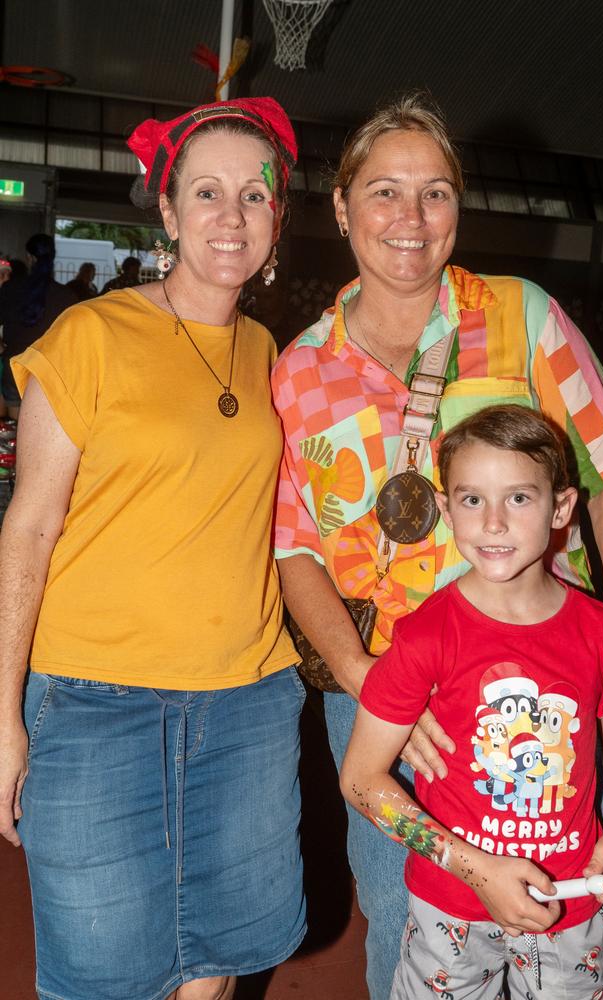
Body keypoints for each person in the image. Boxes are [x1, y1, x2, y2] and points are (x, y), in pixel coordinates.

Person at [271, 93, 603, 998]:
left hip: (547, 685)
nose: (410, 219)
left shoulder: (524, 315)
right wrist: (373, 685)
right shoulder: (301, 368)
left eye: (435, 193)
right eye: (385, 192)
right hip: (396, 705)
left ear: (460, 207)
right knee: (415, 935)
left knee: (571, 930)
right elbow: (296, 552)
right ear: (341, 206)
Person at [0, 97, 305, 1000]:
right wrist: (2, 714)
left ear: (277, 219)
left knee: (216, 956)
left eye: (255, 195)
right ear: (167, 212)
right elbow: (28, 529)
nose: (232, 216)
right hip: (95, 702)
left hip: (246, 699)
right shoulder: (89, 336)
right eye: (207, 193)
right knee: (100, 976)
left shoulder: (268, 351)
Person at [341, 404, 603, 999]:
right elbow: (360, 779)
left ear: (561, 507)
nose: (493, 524)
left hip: (574, 901)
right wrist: (478, 871)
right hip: (449, 909)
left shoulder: (599, 630)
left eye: (519, 498)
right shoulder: (425, 634)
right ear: (445, 505)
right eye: (472, 499)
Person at [0, 234, 76, 419]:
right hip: (49, 373)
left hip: (15, 365)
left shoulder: (10, 289)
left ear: (29, 257)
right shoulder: (67, 296)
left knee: (14, 431)